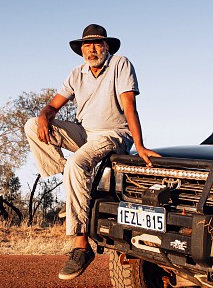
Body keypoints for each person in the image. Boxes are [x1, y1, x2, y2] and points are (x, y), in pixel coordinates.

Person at [24, 23, 160, 280]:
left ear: (106, 46)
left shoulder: (120, 64)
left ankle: (81, 246)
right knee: (32, 125)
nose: (92, 49)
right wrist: (44, 117)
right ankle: (72, 184)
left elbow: (129, 105)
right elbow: (53, 106)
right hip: (84, 134)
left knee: (77, 164)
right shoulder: (77, 73)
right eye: (87, 45)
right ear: (81, 50)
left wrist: (139, 145)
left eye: (97, 44)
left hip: (113, 134)